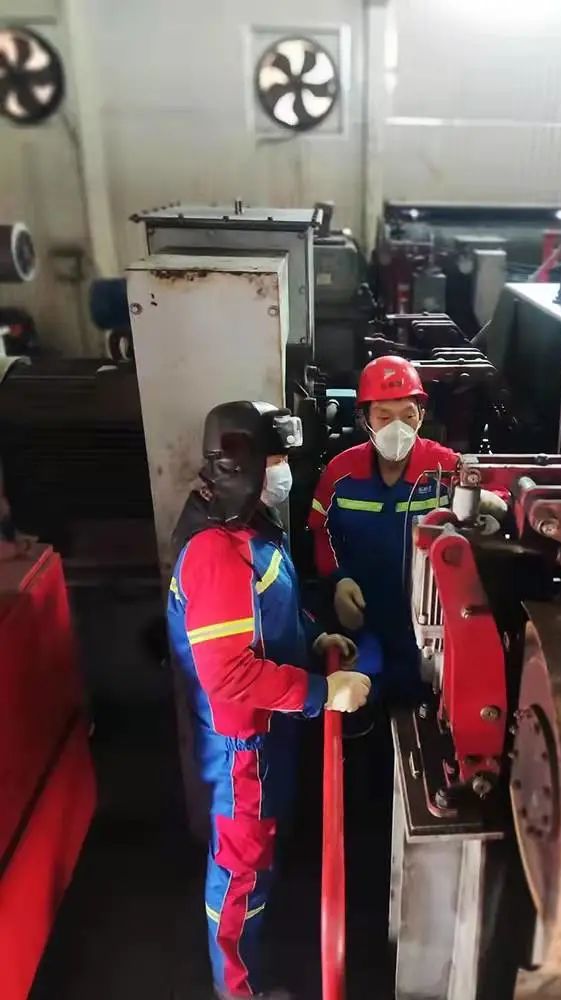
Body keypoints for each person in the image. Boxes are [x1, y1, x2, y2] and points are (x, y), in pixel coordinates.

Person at [168, 400, 371, 1000]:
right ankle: (239, 990)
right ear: (242, 464)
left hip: (268, 734)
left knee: (258, 865)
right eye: (275, 459)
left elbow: (273, 614)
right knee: (239, 875)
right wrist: (321, 691)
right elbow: (229, 674)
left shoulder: (254, 529)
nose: (284, 472)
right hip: (242, 751)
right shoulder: (216, 551)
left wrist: (316, 640)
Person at [308, 356, 460, 706]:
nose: (398, 427)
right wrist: (339, 580)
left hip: (427, 625)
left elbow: (488, 493)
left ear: (421, 414)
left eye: (408, 415)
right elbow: (320, 531)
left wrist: (494, 503)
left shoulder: (444, 468)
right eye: (384, 416)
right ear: (365, 419)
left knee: (424, 701)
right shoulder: (341, 474)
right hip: (362, 617)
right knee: (362, 700)